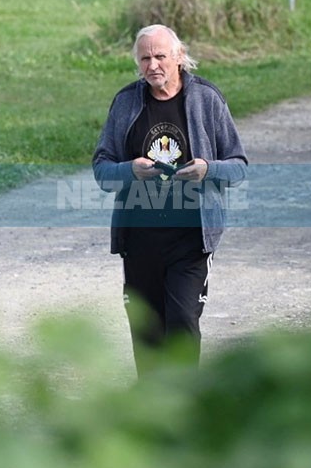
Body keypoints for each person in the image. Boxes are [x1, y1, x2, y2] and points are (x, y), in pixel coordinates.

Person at [93, 24, 247, 377]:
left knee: (181, 324)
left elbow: (238, 167)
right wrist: (131, 169)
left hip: (190, 238)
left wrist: (207, 169)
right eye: (145, 58)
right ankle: (150, 413)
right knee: (147, 332)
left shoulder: (207, 99)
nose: (153, 65)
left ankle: (183, 406)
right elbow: (102, 171)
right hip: (139, 238)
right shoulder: (126, 102)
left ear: (179, 57)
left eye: (160, 56)